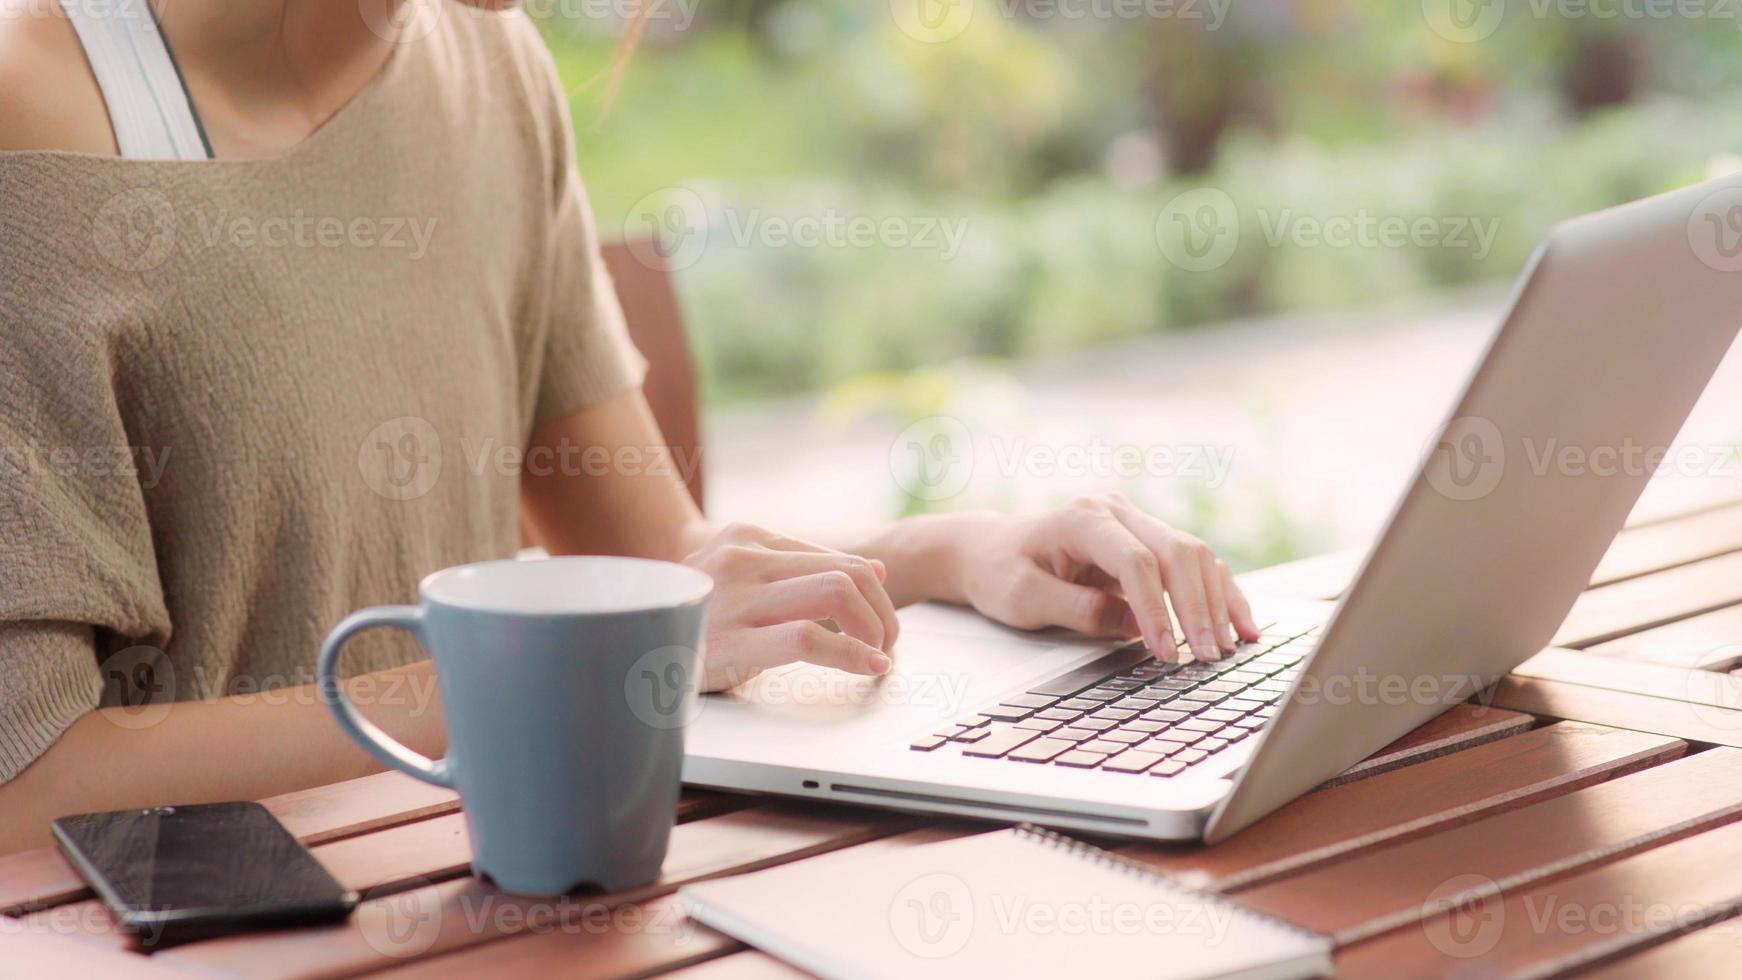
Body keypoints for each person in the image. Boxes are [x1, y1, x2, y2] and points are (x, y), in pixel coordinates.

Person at [0, 0, 1257, 853]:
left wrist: (952, 554)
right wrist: (557, 671)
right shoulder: (30, 120)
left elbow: (664, 574)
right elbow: (28, 775)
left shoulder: (489, 70)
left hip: (477, 898)